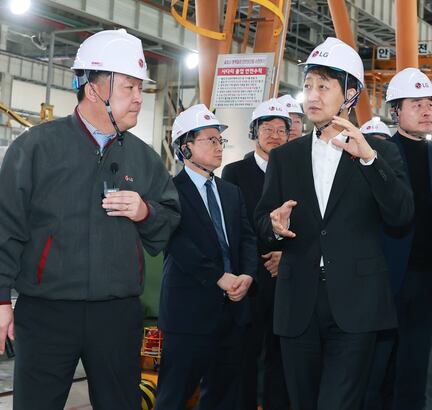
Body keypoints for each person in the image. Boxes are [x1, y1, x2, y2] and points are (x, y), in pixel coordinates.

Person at [0, 29, 181, 409]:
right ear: (95, 89)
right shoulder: (35, 148)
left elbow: (168, 222)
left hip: (116, 314)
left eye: (140, 88)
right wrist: (0, 300)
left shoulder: (144, 158)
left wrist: (145, 212)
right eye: (129, 87)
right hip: (46, 311)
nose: (139, 98)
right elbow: (6, 226)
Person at [254, 37, 414, 410]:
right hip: (298, 303)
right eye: (308, 85)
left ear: (350, 94)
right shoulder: (286, 157)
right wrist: (273, 227)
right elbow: (261, 222)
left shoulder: (379, 151)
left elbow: (402, 214)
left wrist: (369, 159)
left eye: (323, 87)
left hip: (356, 304)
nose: (312, 95)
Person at [156, 104, 257, 409]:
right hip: (188, 314)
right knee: (174, 396)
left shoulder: (230, 192)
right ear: (185, 148)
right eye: (210, 140)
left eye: (220, 140)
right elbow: (178, 243)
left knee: (223, 396)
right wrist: (219, 277)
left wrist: (247, 275)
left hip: (232, 312)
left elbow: (247, 238)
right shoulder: (169, 191)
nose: (218, 146)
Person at [371, 67, 432, 410]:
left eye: (429, 105)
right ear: (395, 112)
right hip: (383, 278)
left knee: (415, 366)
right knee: (377, 365)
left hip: (427, 281)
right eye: (416, 104)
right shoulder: (375, 154)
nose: (426, 111)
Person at [222, 98, 292, 410]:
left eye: (281, 130)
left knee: (280, 356)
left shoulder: (295, 173)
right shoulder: (235, 172)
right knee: (245, 356)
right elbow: (235, 227)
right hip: (249, 279)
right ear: (254, 132)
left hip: (286, 278)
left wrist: (285, 257)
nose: (275, 135)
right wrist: (256, 263)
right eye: (268, 129)